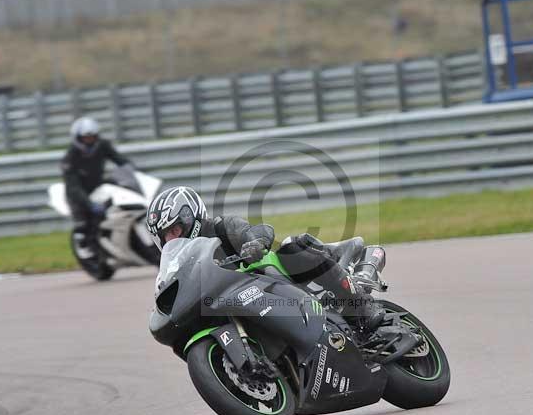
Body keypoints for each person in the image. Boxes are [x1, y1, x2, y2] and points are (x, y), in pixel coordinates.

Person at [145, 186, 384, 328]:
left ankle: (361, 303)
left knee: (292, 248)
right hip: (243, 306)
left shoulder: (221, 227)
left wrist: (255, 243)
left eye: (174, 230)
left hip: (276, 284)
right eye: (164, 237)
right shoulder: (179, 262)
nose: (171, 239)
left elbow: (260, 230)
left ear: (190, 216)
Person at [61, 116, 131, 256]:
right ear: (78, 138)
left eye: (92, 137)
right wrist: (89, 203)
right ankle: (84, 246)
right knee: (84, 222)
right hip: (79, 192)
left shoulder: (103, 145)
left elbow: (119, 159)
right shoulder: (70, 157)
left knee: (122, 194)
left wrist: (130, 168)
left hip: (98, 186)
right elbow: (73, 186)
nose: (90, 140)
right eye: (86, 138)